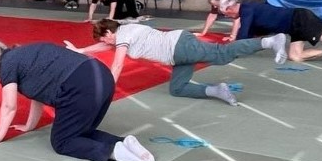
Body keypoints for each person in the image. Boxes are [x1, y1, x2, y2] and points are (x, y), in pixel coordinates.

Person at [0, 39, 154, 161]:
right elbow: (37, 96)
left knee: (62, 141)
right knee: (78, 131)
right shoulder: (22, 55)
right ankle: (125, 142)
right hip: (102, 76)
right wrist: (29, 126)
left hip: (80, 85)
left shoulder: (7, 65)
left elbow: (9, 106)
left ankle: (113, 151)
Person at [67, 19, 289, 106]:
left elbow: (117, 64)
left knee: (222, 53)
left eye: (103, 38)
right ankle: (217, 90)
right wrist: (81, 50)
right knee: (178, 88)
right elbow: (107, 47)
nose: (105, 42)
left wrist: (109, 88)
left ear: (108, 32)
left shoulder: (124, 34)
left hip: (180, 47)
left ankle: (270, 41)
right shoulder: (124, 31)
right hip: (178, 53)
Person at [196, 0, 268, 41]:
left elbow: (237, 18)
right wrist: (203, 33)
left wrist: (232, 36)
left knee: (255, 27)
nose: (214, 7)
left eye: (215, 5)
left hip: (258, 0)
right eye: (213, 5)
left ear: (219, 0)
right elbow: (212, 15)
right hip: (247, 3)